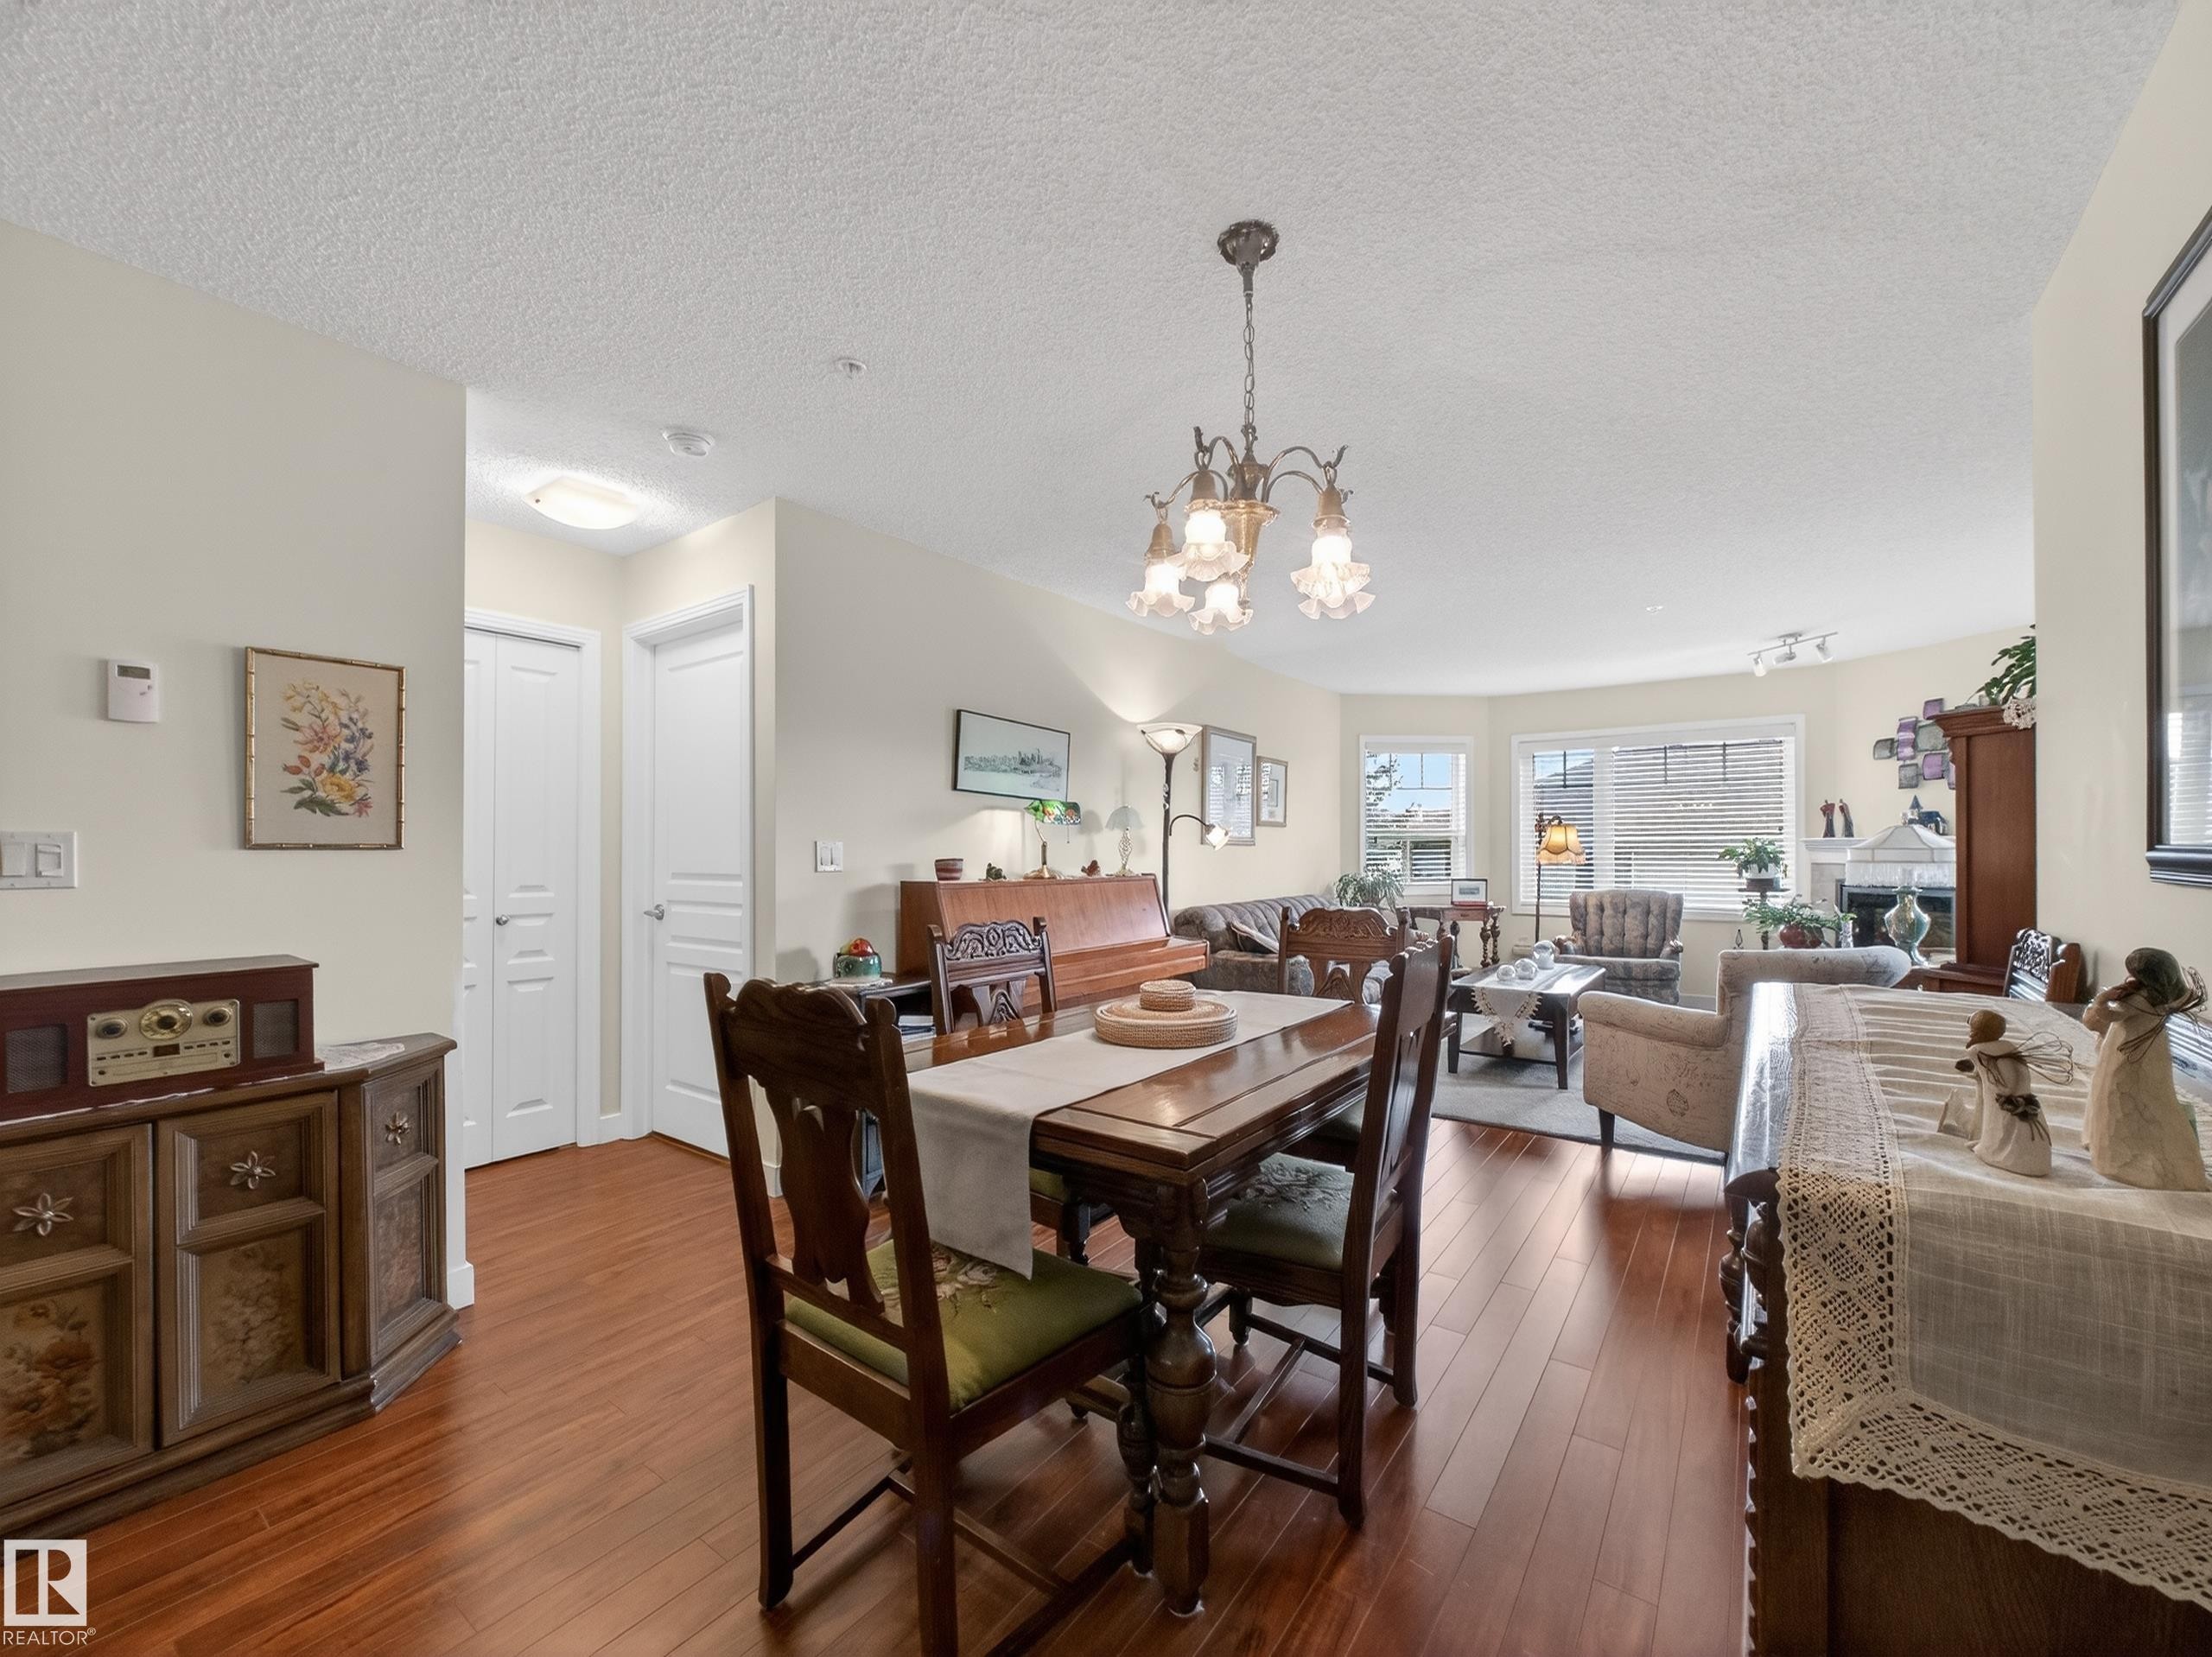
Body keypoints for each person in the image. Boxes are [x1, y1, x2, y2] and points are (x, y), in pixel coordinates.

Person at [2081, 948, 2209, 1192]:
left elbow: (2096, 1018)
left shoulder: (2136, 1000)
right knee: (2155, 1100)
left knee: (2121, 1099)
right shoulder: (2166, 997)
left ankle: (2120, 1156)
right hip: (2150, 1052)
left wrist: (2102, 998)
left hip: (2126, 1056)